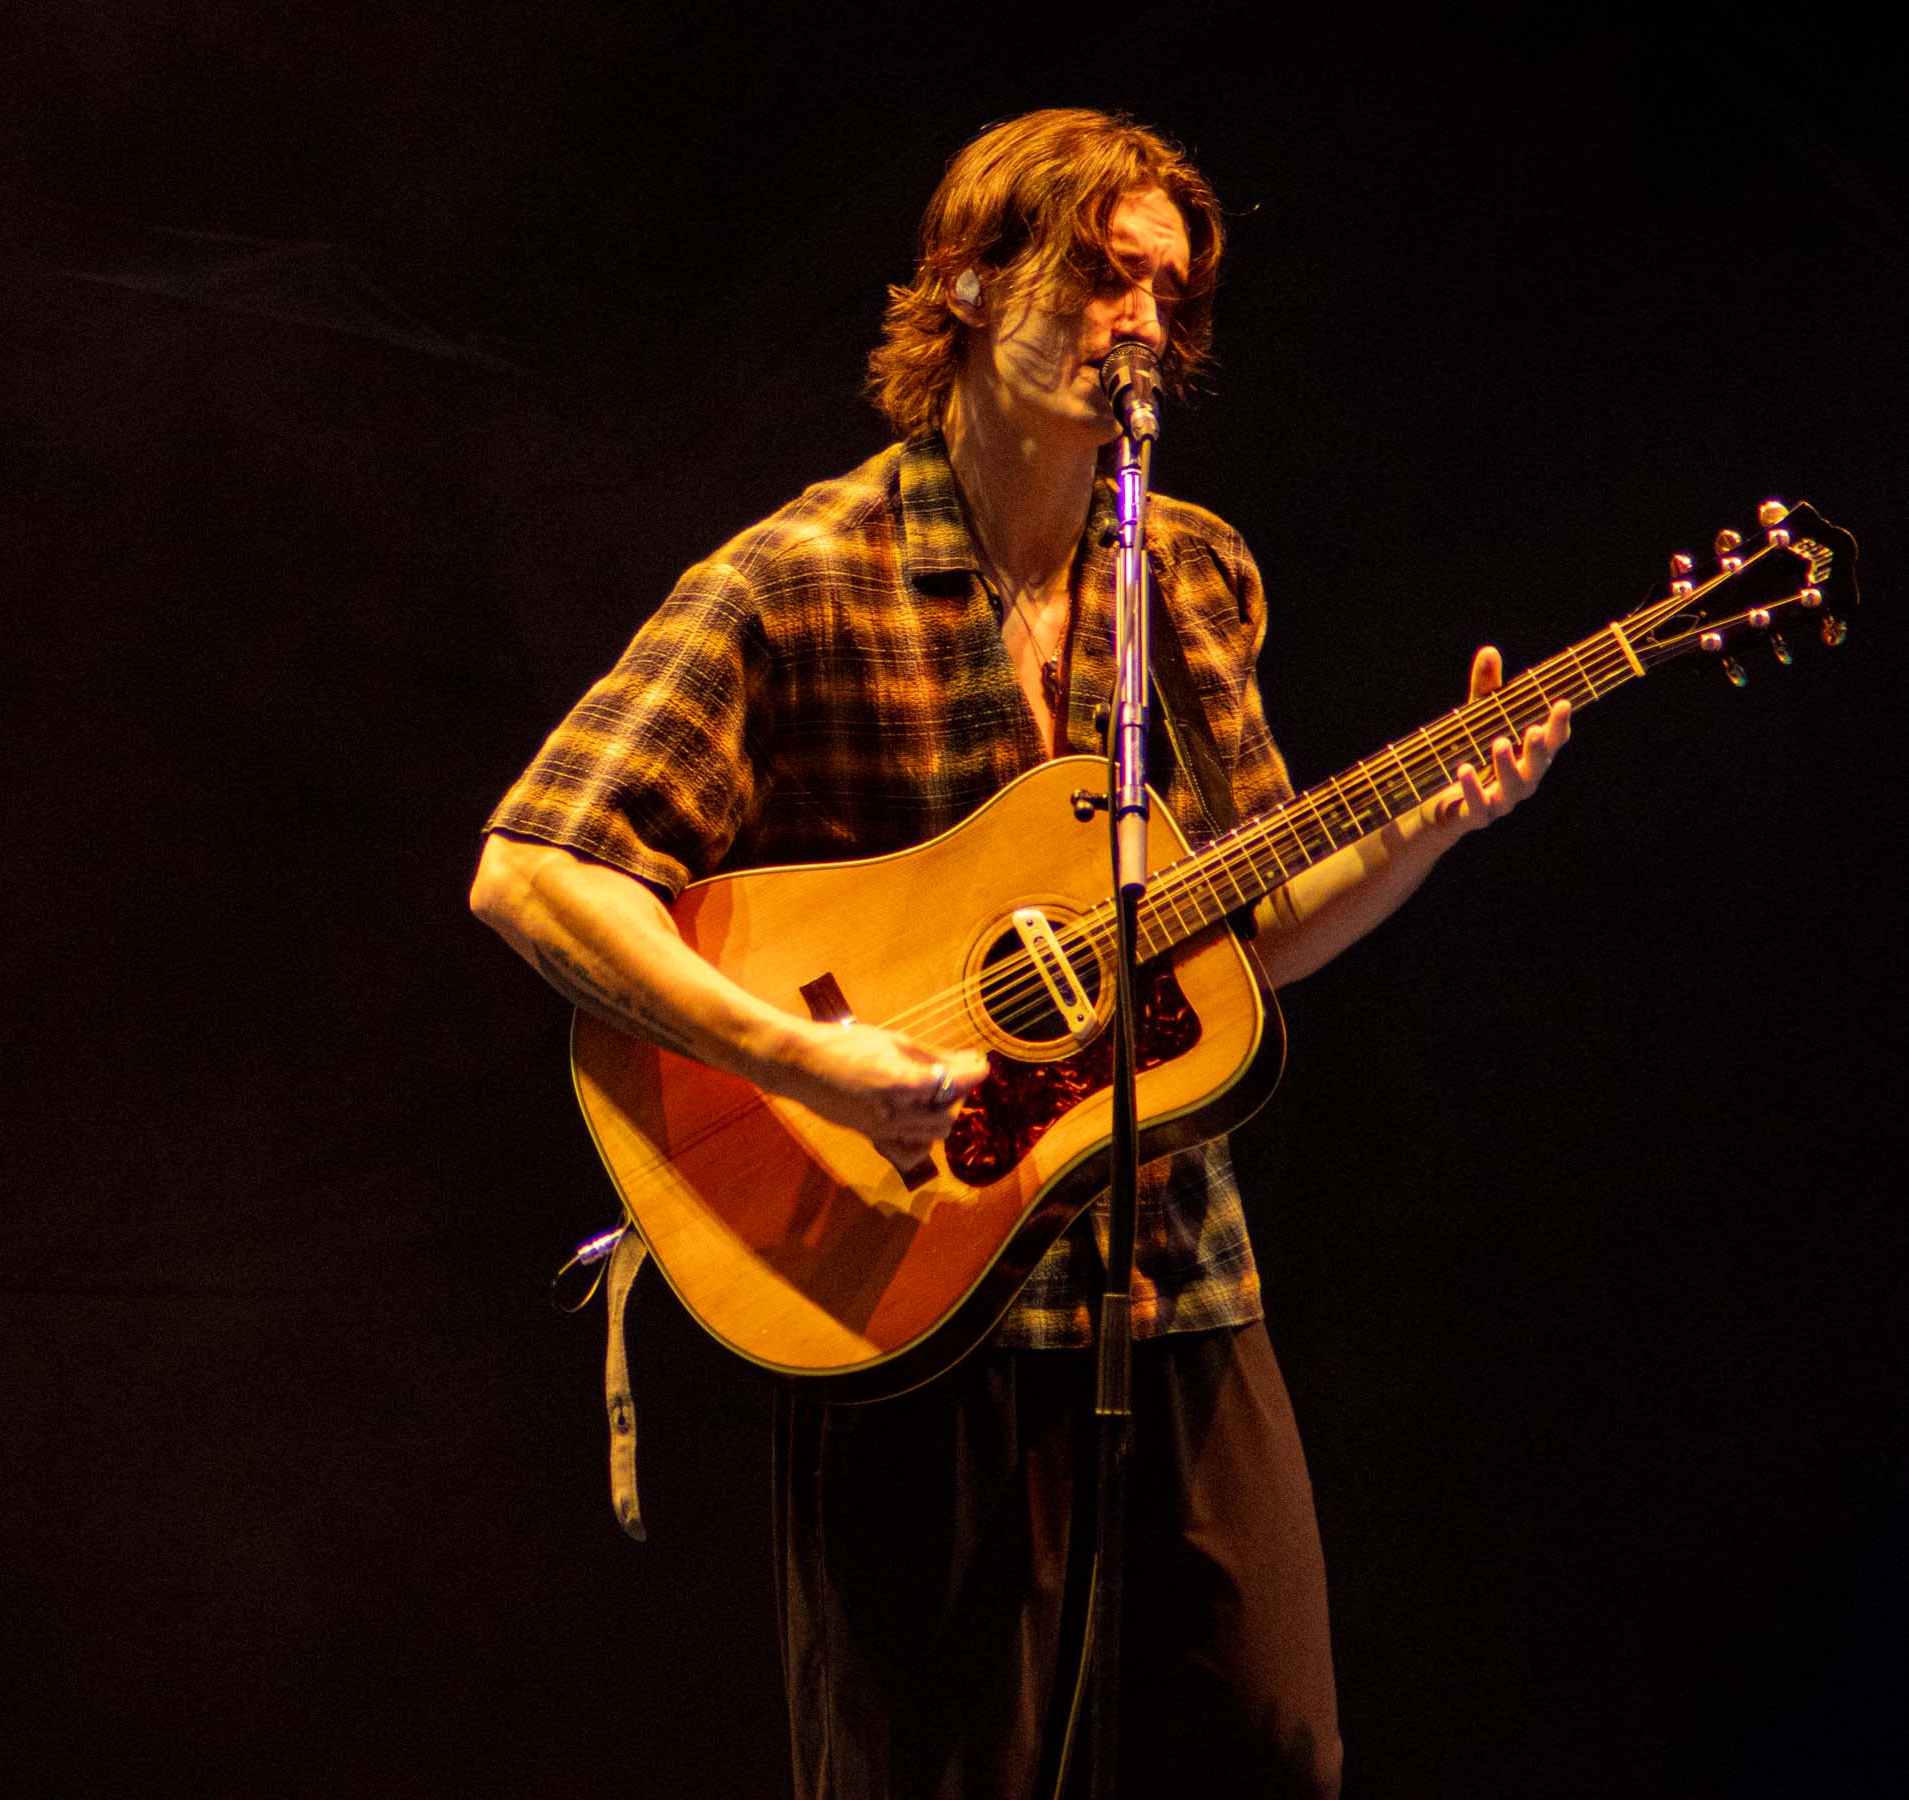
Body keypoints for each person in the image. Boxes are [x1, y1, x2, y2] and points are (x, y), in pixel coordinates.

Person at [468, 108, 1567, 1799]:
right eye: (1100, 275)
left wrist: (1434, 823)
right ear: (972, 284)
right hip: (905, 1289)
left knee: (1276, 1751)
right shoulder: (800, 576)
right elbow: (536, 871)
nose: (1141, 320)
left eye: (1168, 293)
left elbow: (1250, 938)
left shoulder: (1191, 574)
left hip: (1175, 1273)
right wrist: (798, 1058)